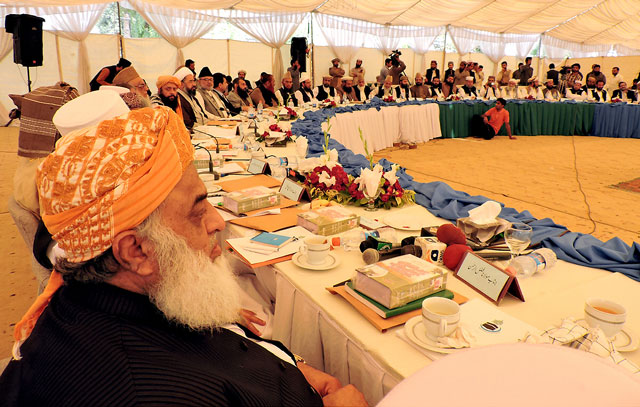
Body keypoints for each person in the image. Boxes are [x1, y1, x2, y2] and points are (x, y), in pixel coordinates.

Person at [0, 106, 368, 406]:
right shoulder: (147, 391)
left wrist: (291, 366)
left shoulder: (134, 291)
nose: (218, 220)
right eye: (197, 209)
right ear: (136, 251)